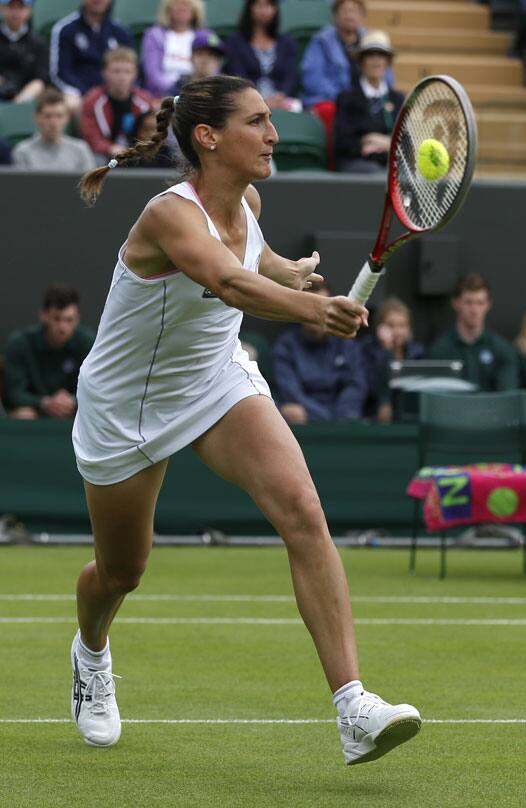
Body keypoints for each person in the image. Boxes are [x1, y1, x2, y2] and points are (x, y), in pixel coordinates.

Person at [72, 75, 421, 761]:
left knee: (301, 507)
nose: (273, 135)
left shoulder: (250, 197)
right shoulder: (169, 215)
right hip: (128, 405)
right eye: (259, 122)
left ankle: (354, 707)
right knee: (122, 572)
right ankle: (90, 654)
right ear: (208, 136)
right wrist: (315, 310)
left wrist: (289, 271)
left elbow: (250, 260)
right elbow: (227, 280)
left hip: (215, 377)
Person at [272, 283, 368, 424]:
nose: (317, 313)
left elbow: (356, 387)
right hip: (305, 424)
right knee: (291, 411)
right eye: (311, 307)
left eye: (324, 307)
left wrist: (337, 420)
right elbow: (291, 392)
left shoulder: (347, 343)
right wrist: (325, 418)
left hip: (344, 423)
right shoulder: (286, 346)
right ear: (299, 310)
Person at [2, 284, 94, 419]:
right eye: (57, 319)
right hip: (36, 413)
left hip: (75, 414)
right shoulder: (20, 343)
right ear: (44, 316)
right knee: (24, 414)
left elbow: (96, 389)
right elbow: (13, 394)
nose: (63, 327)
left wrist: (71, 401)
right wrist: (44, 403)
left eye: (69, 320)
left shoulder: (87, 343)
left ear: (77, 319)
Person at [429, 273, 519, 391]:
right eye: (468, 302)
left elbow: (507, 396)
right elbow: (437, 397)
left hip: (491, 409)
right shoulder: (440, 349)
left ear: (488, 305)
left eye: (480, 303)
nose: (474, 310)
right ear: (456, 304)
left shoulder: (503, 350)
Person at [301, 0, 393, 110]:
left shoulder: (370, 41)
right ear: (335, 16)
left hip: (366, 102)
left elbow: (386, 77)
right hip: (331, 101)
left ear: (362, 16)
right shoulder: (321, 41)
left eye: (354, 11)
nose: (350, 16)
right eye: (345, 11)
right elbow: (313, 80)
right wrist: (346, 99)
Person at [334, 29, 403, 173]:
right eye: (371, 55)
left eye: (381, 55)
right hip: (357, 163)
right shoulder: (346, 98)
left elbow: (407, 142)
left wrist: (385, 143)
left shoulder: (397, 99)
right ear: (361, 61)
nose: (376, 60)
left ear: (388, 62)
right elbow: (341, 142)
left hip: (391, 164)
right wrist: (364, 144)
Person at [50, 0, 132, 115]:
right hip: (80, 93)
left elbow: (132, 67)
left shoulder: (120, 31)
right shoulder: (66, 29)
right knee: (73, 103)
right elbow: (61, 73)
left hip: (116, 90)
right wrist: (87, 93)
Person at [80, 48, 156, 162]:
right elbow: (91, 137)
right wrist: (110, 148)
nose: (122, 77)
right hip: (106, 155)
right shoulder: (92, 100)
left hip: (138, 153)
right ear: (104, 73)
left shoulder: (145, 100)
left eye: (127, 72)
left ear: (135, 74)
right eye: (116, 71)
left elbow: (151, 134)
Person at [224, 0, 300, 111]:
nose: (264, 10)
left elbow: (290, 75)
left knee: (296, 108)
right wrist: (259, 98)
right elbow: (238, 75)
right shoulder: (235, 41)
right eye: (260, 5)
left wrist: (281, 95)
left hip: (281, 100)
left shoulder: (287, 42)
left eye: (269, 5)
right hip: (247, 98)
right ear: (250, 8)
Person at [361, 296, 425, 423]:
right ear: (379, 327)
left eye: (402, 325)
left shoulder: (418, 353)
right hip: (373, 419)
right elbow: (371, 389)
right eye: (390, 325)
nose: (397, 331)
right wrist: (386, 351)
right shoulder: (366, 352)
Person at [12, 88, 96, 171]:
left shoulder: (80, 150)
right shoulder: (23, 152)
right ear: (36, 117)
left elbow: (90, 183)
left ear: (67, 118)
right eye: (48, 116)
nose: (54, 123)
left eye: (59, 116)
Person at [141, 0, 204, 98]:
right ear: (168, 9)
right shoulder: (154, 35)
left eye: (186, 4)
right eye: (176, 3)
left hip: (197, 94)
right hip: (163, 96)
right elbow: (152, 74)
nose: (181, 7)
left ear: (195, 10)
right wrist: (175, 90)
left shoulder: (205, 36)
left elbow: (212, 70)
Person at [0, 0, 48, 103]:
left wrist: (20, 100)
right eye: (11, 7)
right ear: (2, 9)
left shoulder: (38, 43)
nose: (15, 13)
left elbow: (40, 78)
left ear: (29, 10)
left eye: (20, 8)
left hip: (26, 96)